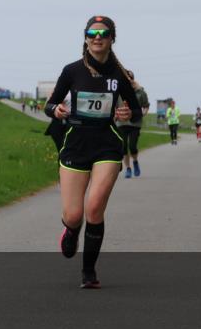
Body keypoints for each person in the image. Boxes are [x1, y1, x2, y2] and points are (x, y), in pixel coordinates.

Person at [44, 15, 141, 289]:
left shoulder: (119, 75)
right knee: (74, 215)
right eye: (92, 33)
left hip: (107, 143)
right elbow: (49, 105)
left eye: (104, 33)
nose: (97, 37)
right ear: (85, 38)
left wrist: (126, 111)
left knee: (94, 207)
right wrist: (57, 109)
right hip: (76, 140)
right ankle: (72, 231)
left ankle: (88, 272)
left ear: (112, 38)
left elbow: (134, 109)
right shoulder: (72, 70)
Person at [116, 70, 149, 178]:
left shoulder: (139, 92)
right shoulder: (118, 91)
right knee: (124, 147)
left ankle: (135, 161)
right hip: (121, 122)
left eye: (129, 78)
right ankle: (128, 168)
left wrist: (143, 114)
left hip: (135, 123)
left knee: (132, 146)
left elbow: (146, 105)